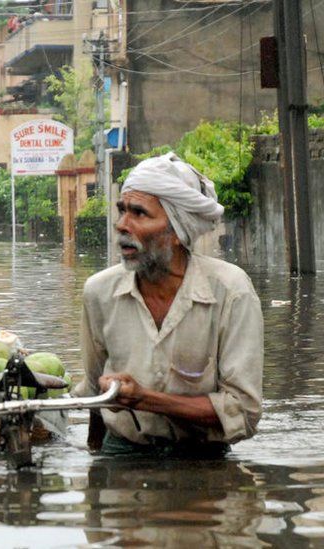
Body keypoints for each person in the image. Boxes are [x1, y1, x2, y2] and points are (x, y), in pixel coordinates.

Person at [74, 152, 263, 457]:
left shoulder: (231, 291)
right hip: (121, 451)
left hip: (203, 457)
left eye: (139, 213)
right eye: (122, 210)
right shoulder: (99, 292)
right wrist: (94, 463)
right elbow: (97, 395)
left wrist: (145, 399)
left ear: (176, 231)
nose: (122, 225)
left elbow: (243, 411)